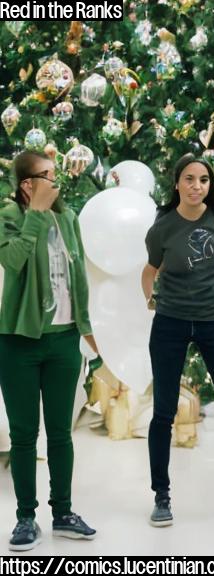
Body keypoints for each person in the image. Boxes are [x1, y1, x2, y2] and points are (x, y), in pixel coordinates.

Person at [142, 154, 214, 527]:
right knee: (162, 413)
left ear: (210, 185)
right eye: (189, 179)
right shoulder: (163, 227)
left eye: (204, 180)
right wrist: (151, 299)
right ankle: (161, 496)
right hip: (171, 324)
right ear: (177, 183)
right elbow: (150, 270)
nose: (197, 187)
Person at [0, 150, 98, 551]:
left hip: (63, 341)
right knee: (24, 436)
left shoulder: (69, 218)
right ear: (27, 184)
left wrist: (86, 330)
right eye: (46, 177)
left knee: (61, 433)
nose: (56, 184)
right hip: (19, 341)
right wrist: (36, 215)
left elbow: (78, 279)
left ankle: (63, 513)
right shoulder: (10, 215)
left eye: (56, 176)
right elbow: (12, 261)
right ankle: (26, 519)